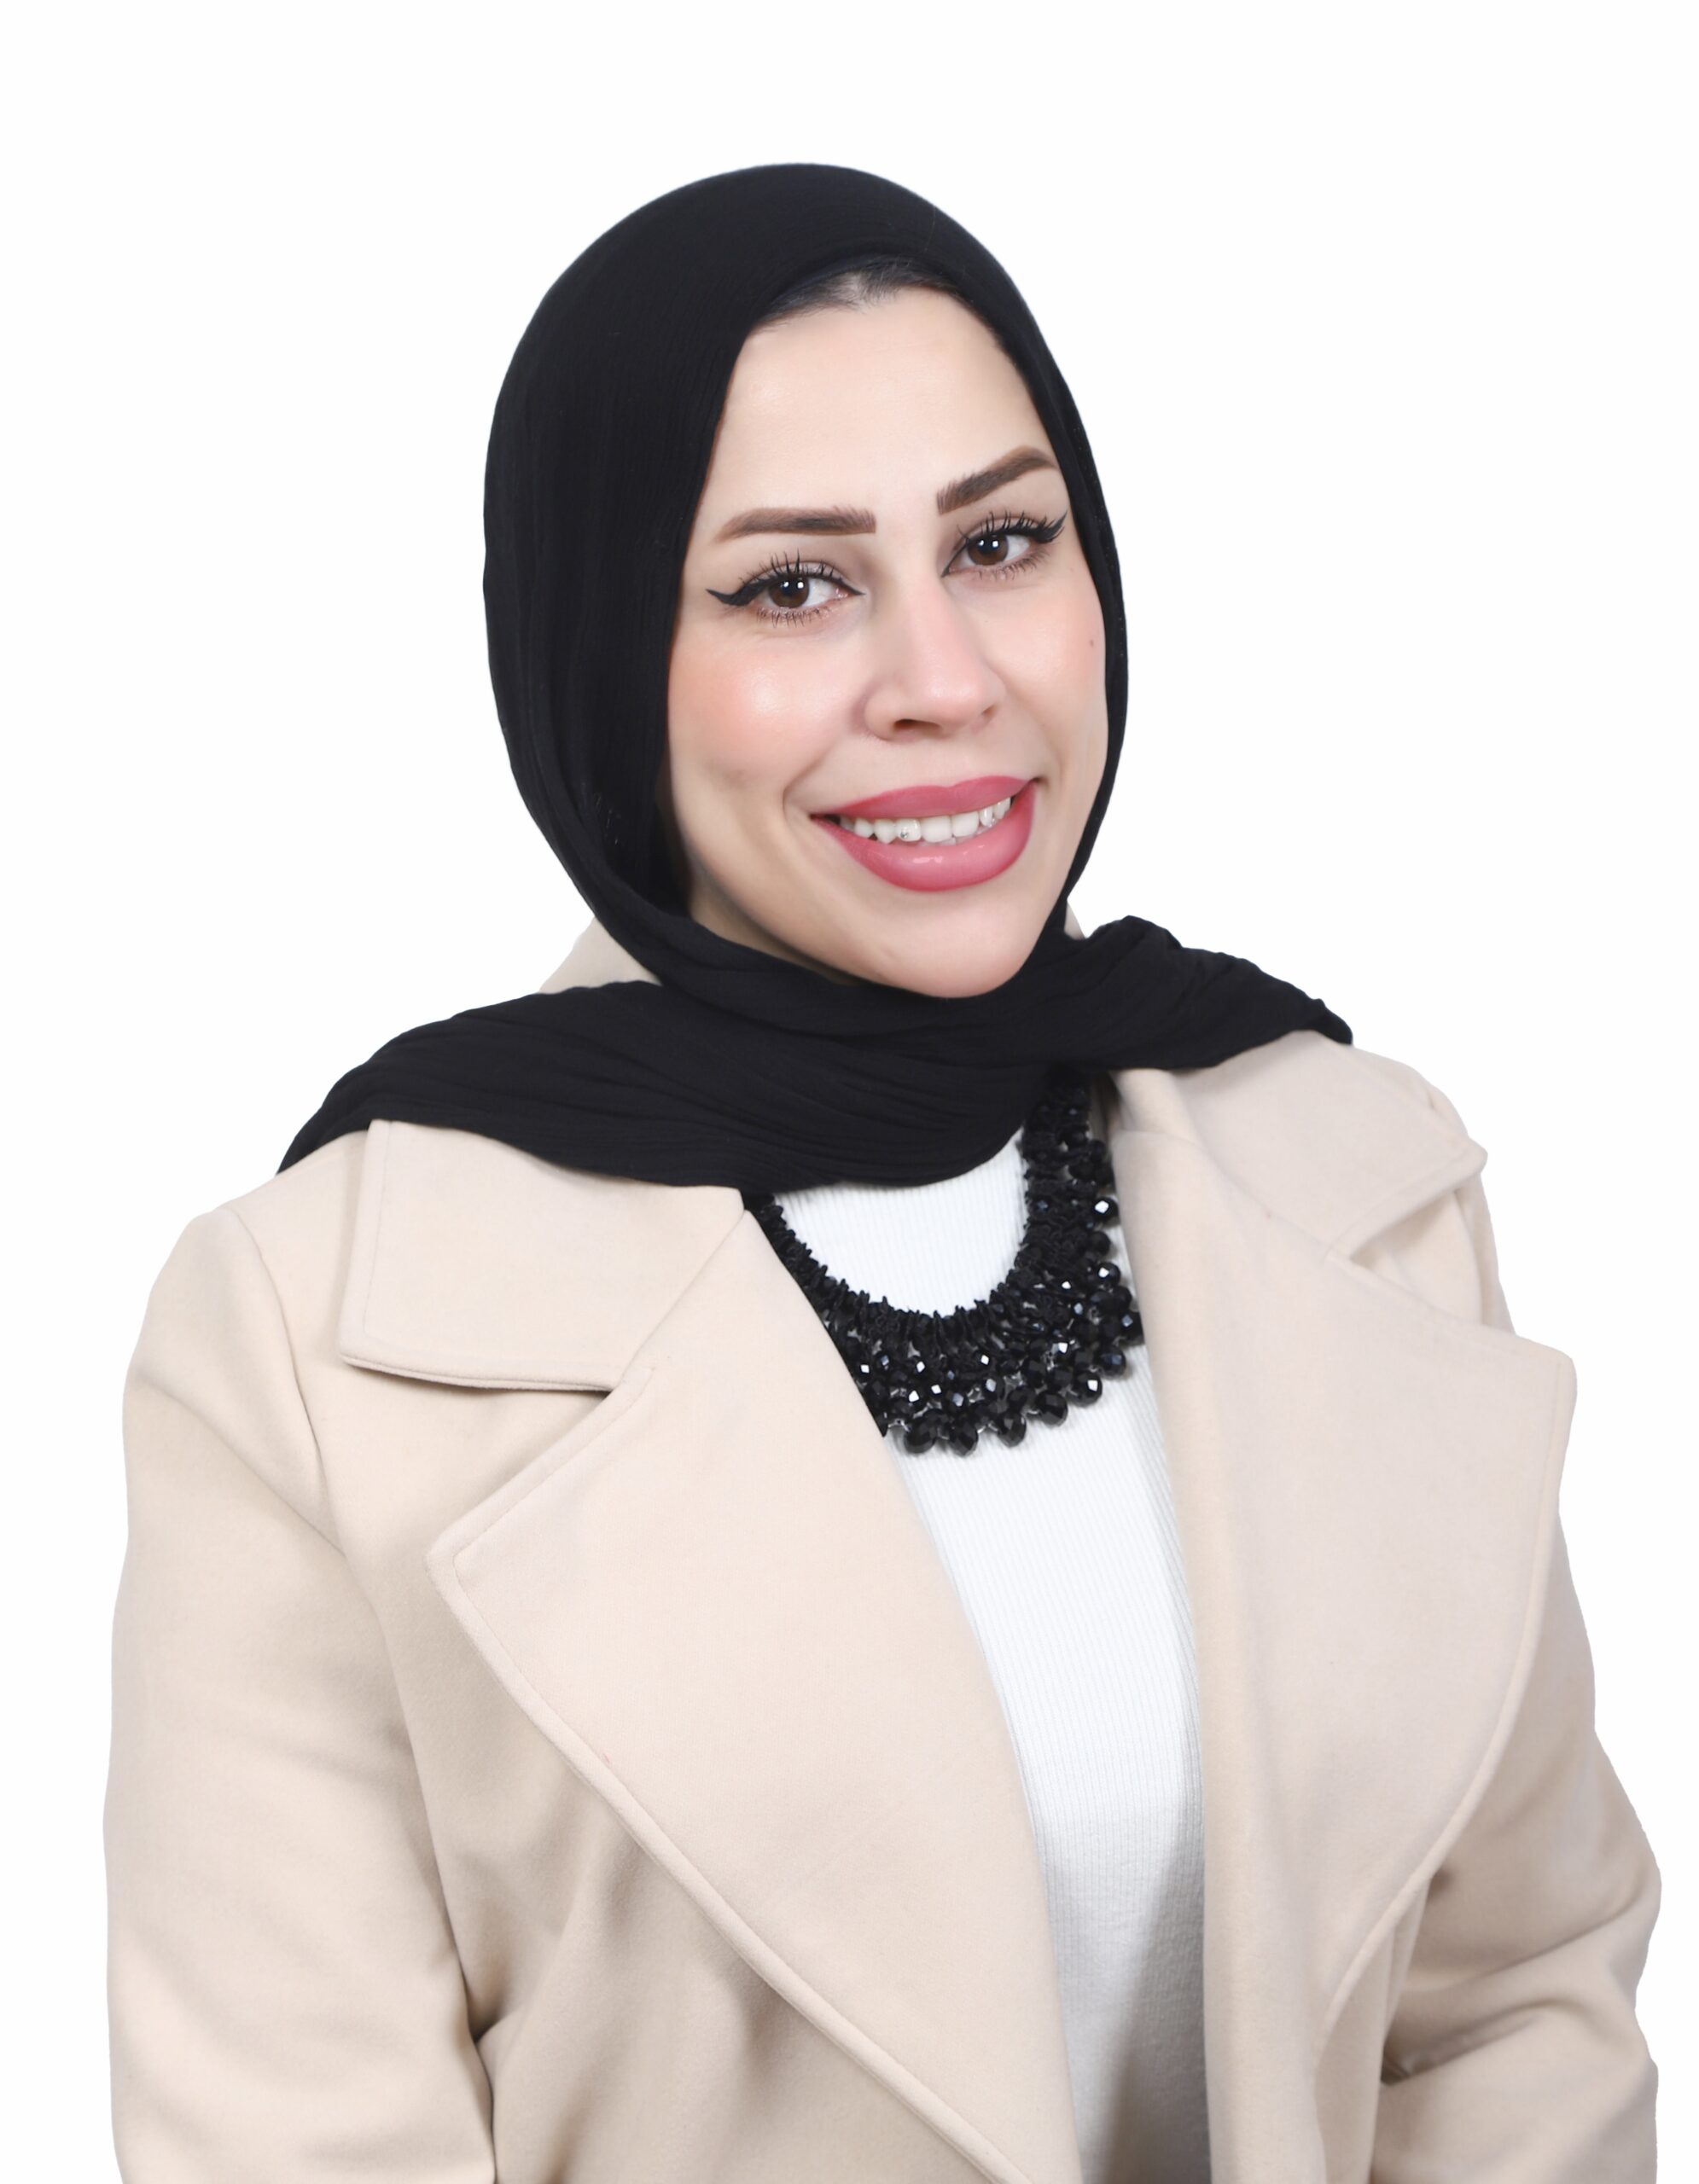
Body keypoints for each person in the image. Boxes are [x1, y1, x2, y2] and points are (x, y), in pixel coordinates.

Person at [103, 163, 1660, 2184]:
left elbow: (1517, 1989)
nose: (945, 674)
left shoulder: (1354, 1174)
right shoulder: (310, 1341)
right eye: (792, 586)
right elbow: (297, 2138)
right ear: (599, 650)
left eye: (1002, 542)